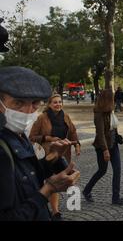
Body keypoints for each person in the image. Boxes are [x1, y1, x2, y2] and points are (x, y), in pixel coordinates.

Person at [0, 66, 80, 221]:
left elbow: (30, 174)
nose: (28, 110)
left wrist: (55, 157)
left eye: (35, 103)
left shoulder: (19, 135)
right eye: (18, 102)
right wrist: (48, 190)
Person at [29, 93, 81, 221]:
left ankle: (54, 211)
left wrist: (77, 144)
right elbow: (32, 137)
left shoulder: (65, 116)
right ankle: (49, 210)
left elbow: (73, 132)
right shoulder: (42, 117)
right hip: (46, 155)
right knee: (49, 181)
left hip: (61, 154)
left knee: (62, 179)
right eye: (55, 102)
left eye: (60, 102)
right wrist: (48, 138)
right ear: (50, 105)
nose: (58, 104)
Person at [83, 89, 123, 206]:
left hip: (114, 145)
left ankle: (116, 198)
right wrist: (105, 150)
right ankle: (86, 190)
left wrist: (117, 136)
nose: (113, 100)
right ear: (106, 99)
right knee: (102, 171)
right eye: (111, 98)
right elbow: (100, 133)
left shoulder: (110, 111)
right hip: (102, 147)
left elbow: (113, 126)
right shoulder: (98, 113)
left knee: (117, 170)